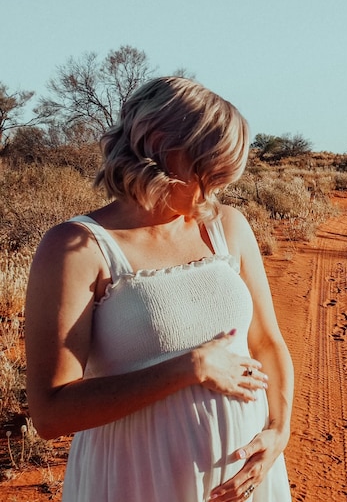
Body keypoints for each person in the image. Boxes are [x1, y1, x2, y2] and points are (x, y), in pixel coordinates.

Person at [24, 76, 293, 502]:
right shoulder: (76, 247)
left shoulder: (227, 227)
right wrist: (186, 368)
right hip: (137, 477)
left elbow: (266, 341)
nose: (219, 187)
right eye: (210, 170)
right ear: (159, 144)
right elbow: (51, 412)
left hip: (246, 479)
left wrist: (279, 432)